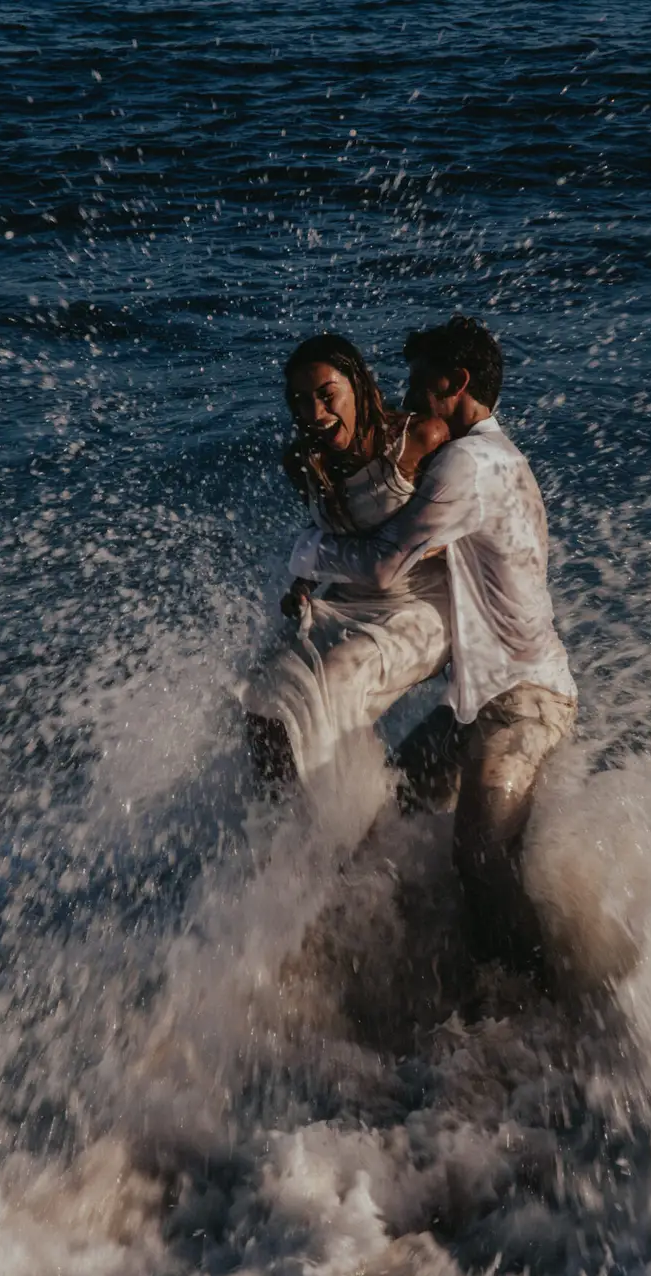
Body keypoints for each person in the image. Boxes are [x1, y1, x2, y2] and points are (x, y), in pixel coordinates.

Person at [287, 316, 578, 980]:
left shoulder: (464, 464)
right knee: (391, 813)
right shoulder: (495, 460)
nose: (409, 395)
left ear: (456, 381)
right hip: (478, 704)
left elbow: (389, 565)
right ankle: (433, 967)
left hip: (526, 703)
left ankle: (536, 1001)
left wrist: (308, 553)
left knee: (477, 852)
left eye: (420, 380)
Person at [242, 334, 452, 796]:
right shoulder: (303, 462)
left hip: (421, 603)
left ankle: (339, 834)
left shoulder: (421, 438)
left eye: (326, 394)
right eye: (301, 402)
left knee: (333, 682)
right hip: (350, 597)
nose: (315, 413)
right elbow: (332, 535)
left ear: (356, 384)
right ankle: (281, 825)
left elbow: (469, 516)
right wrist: (301, 584)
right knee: (261, 696)